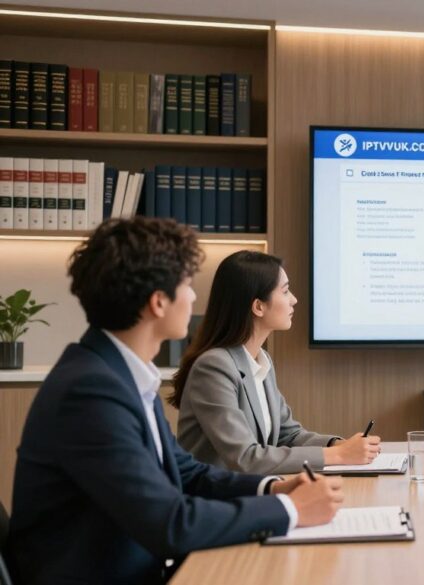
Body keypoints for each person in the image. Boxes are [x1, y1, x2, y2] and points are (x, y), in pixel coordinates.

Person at [6, 218, 345, 585]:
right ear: (158, 302)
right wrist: (289, 509)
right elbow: (169, 523)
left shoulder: (121, 374)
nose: (195, 297)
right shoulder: (90, 392)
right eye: (186, 285)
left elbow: (187, 473)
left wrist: (273, 488)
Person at [171, 250, 381, 474]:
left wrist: (338, 445)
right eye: (286, 291)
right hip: (215, 502)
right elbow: (246, 458)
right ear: (258, 306)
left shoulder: (260, 360)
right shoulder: (214, 367)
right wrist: (338, 455)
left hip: (250, 494)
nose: (294, 300)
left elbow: (288, 435)